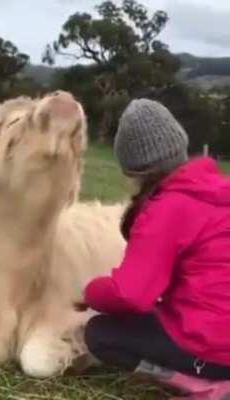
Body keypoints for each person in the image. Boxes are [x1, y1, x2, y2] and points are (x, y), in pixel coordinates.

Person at [83, 99, 230, 399]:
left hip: (213, 350)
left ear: (133, 170)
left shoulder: (166, 209)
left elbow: (131, 295)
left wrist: (88, 292)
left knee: (100, 334)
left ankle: (200, 385)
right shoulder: (219, 190)